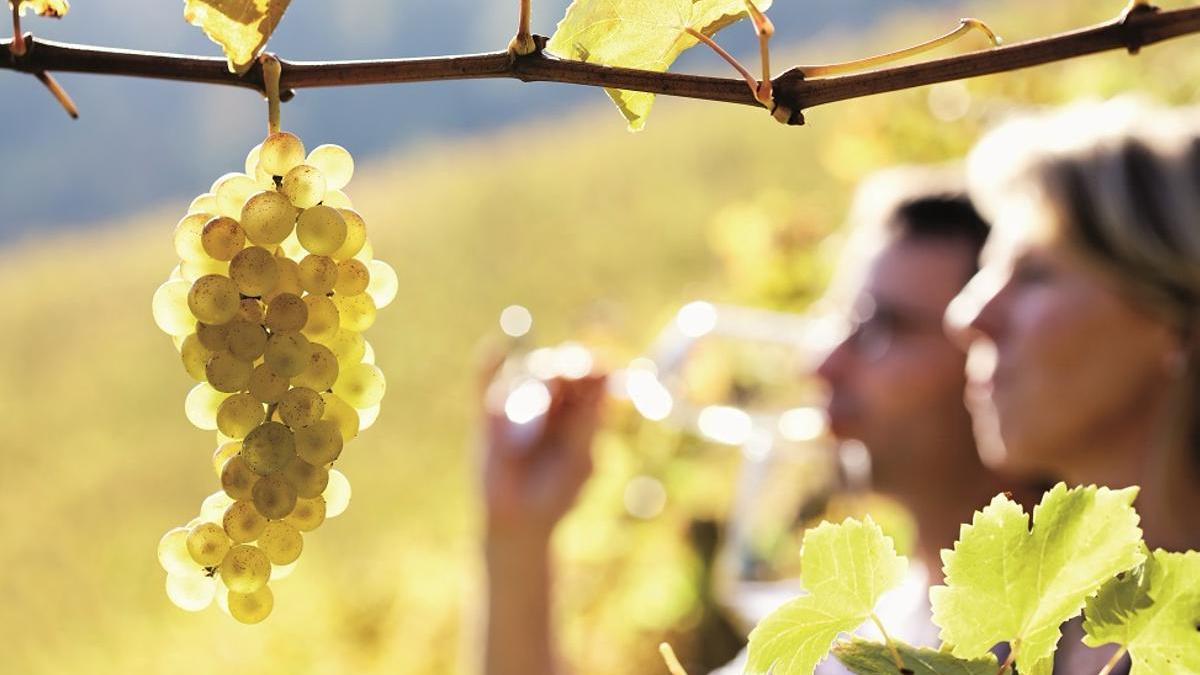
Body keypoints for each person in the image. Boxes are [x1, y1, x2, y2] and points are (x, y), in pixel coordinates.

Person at [479, 166, 1029, 675]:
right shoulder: (856, 642)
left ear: (1003, 352)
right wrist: (517, 537)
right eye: (838, 319)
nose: (822, 363)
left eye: (884, 328)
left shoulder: (1084, 641)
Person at [945, 99, 1200, 672]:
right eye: (988, 270)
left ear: (1178, 320)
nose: (967, 316)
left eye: (1035, 274)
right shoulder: (1027, 631)